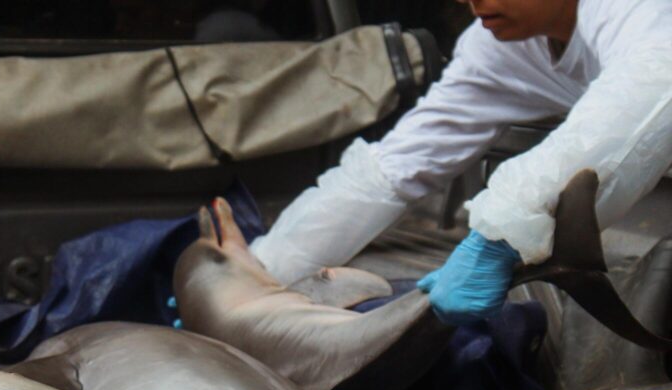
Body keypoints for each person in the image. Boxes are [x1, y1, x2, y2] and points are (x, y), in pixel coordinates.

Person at [249, 0, 672, 324]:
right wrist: (261, 274)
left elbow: (653, 85)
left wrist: (503, 232)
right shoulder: (499, 48)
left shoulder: (638, 9)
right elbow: (396, 167)